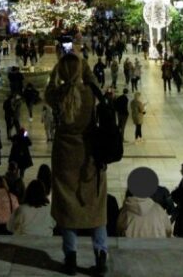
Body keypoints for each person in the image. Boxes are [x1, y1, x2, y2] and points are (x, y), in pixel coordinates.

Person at [45, 54, 108, 276]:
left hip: (64, 157)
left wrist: (57, 70)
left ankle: (70, 258)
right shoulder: (90, 94)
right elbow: (95, 83)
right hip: (89, 156)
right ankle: (101, 258)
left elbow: (48, 89)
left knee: (67, 207)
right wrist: (84, 68)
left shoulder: (57, 95)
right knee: (96, 207)